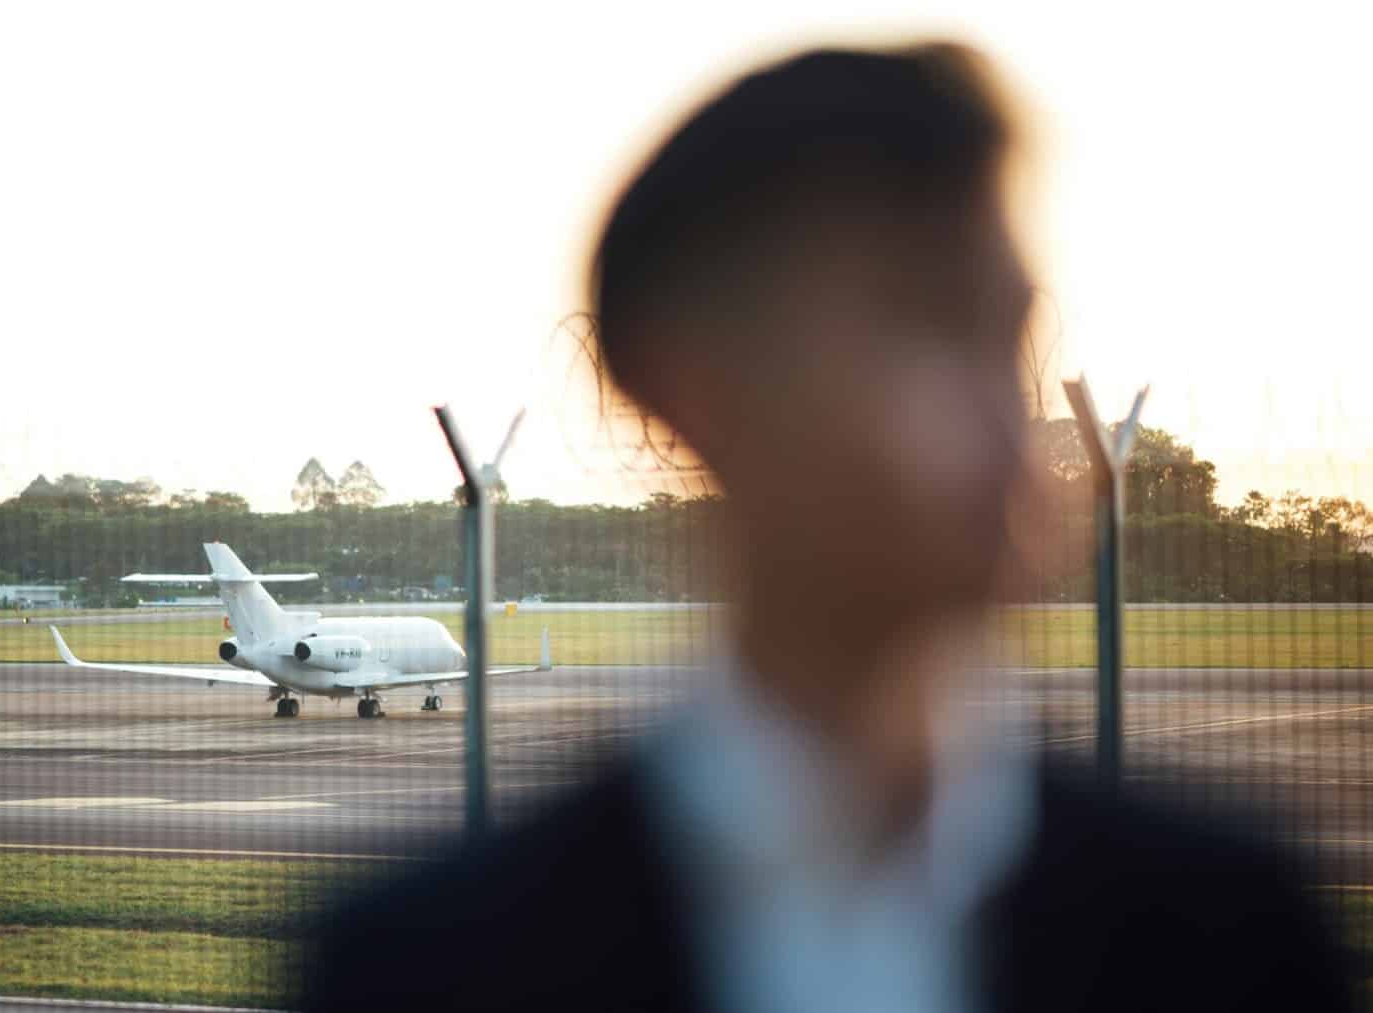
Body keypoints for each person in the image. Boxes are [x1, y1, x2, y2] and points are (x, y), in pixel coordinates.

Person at [305, 42, 1355, 1012]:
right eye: (926, 328)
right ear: (683, 383)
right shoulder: (421, 967)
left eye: (1010, 339)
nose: (1010, 419)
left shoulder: (1241, 930)